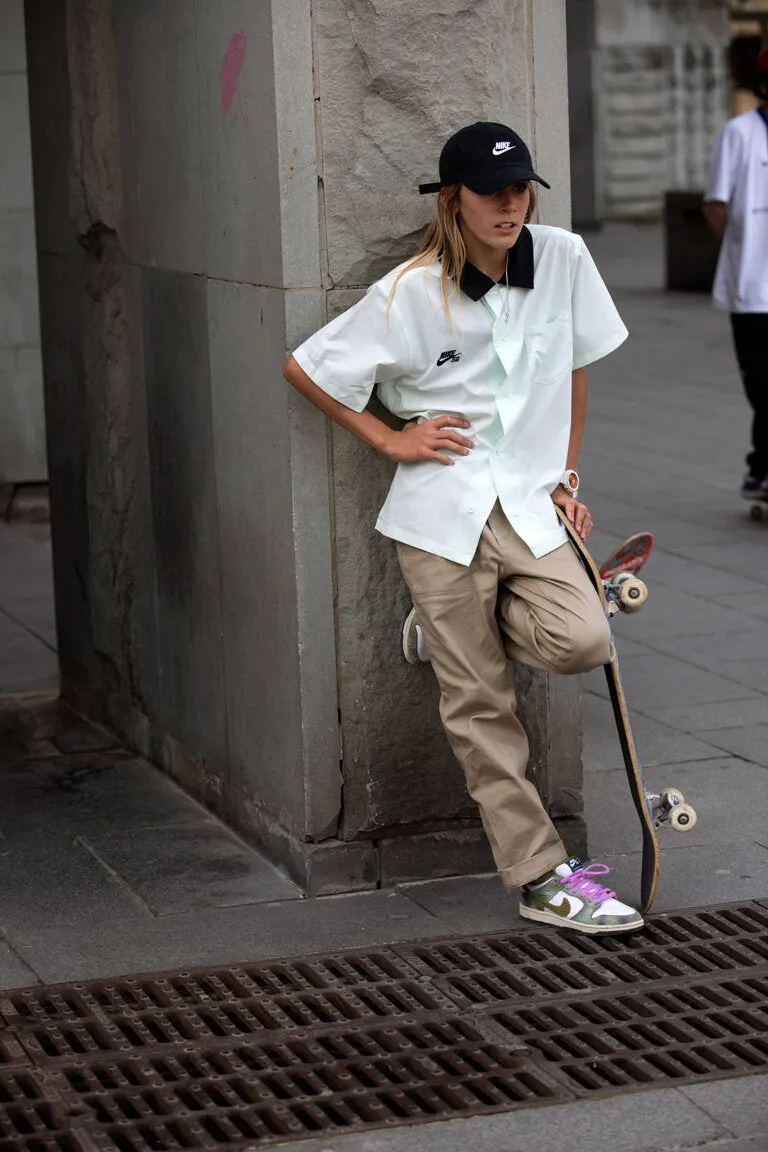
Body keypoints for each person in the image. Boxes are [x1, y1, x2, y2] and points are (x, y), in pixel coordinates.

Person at [283, 121, 643, 935]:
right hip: (442, 513)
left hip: (528, 501)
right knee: (479, 701)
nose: (510, 206)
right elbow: (306, 367)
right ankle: (541, 876)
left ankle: (447, 631)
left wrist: (567, 475)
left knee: (585, 640)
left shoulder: (563, 258)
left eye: (520, 191)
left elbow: (576, 365)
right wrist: (390, 438)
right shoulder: (412, 291)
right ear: (454, 200)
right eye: (492, 192)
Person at [703, 46, 768, 499]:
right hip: (753, 287)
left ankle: (760, 469)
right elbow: (714, 203)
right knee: (763, 385)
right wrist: (737, 249)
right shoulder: (739, 133)